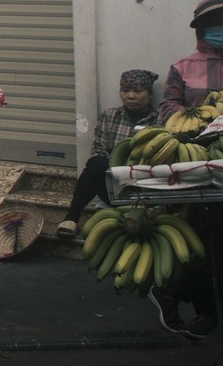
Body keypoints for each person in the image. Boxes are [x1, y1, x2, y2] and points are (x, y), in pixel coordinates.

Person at [55, 69, 160, 239]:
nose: (131, 96)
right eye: (125, 91)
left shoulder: (160, 120)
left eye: (138, 91)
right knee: (96, 164)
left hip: (143, 185)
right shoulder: (110, 116)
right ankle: (72, 218)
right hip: (112, 183)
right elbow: (99, 148)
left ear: (150, 95)